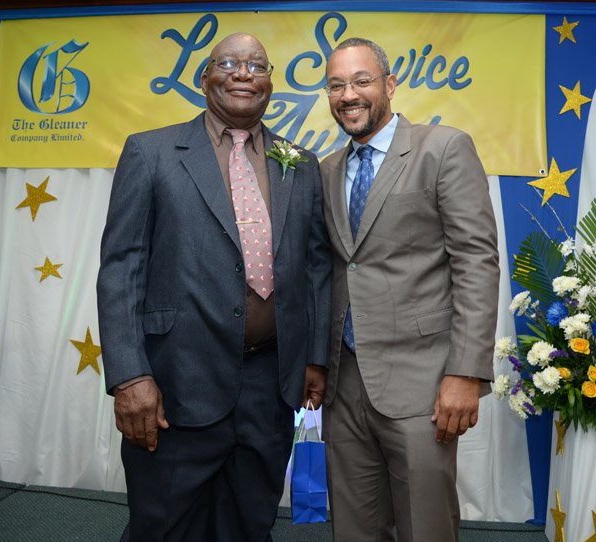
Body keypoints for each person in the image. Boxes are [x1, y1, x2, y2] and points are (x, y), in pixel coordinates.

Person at [96, 32, 331, 541]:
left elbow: (315, 269)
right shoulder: (151, 152)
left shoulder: (301, 163)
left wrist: (314, 357)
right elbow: (121, 267)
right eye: (229, 63)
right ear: (205, 79)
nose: (244, 73)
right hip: (174, 384)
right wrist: (129, 375)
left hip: (270, 386)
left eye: (257, 66)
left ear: (271, 83)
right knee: (163, 527)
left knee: (249, 525)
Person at [319, 37, 499, 542]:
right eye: (336, 85)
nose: (348, 94)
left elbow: (476, 262)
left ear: (390, 85)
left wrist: (465, 372)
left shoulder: (442, 148)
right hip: (344, 382)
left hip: (424, 382)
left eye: (361, 81)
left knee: (426, 528)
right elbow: (337, 269)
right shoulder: (328, 169)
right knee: (353, 530)